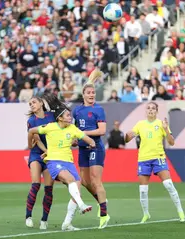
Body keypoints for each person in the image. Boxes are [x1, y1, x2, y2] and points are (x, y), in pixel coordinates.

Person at [27, 101, 94, 228]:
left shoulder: (72, 128)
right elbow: (31, 131)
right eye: (68, 115)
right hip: (54, 162)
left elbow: (86, 138)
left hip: (69, 162)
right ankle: (81, 205)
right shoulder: (50, 126)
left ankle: (67, 223)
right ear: (60, 118)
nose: (71, 117)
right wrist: (31, 146)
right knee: (69, 181)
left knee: (77, 188)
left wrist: (92, 143)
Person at [125, 102, 185, 223]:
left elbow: (172, 142)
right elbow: (127, 139)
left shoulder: (161, 124)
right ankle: (146, 214)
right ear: (145, 111)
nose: (150, 110)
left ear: (157, 111)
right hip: (143, 159)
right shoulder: (140, 124)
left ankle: (181, 212)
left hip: (158, 157)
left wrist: (166, 130)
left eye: (153, 108)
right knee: (143, 190)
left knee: (168, 184)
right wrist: (127, 136)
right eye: (148, 108)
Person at [72, 69, 110, 229]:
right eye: (88, 93)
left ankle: (103, 214)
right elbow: (73, 131)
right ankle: (103, 203)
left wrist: (83, 134)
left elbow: (101, 131)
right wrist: (75, 139)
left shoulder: (98, 110)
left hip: (95, 147)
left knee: (95, 179)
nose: (91, 95)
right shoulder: (77, 110)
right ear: (83, 95)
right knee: (85, 182)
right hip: (82, 149)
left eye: (93, 92)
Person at [25, 96, 56, 230]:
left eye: (34, 102)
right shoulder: (32, 120)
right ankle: (28, 216)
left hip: (51, 155)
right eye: (30, 103)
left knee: (48, 188)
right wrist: (48, 151)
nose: (31, 105)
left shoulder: (52, 116)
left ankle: (44, 219)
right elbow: (37, 140)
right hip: (37, 154)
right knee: (36, 184)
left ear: (41, 103)